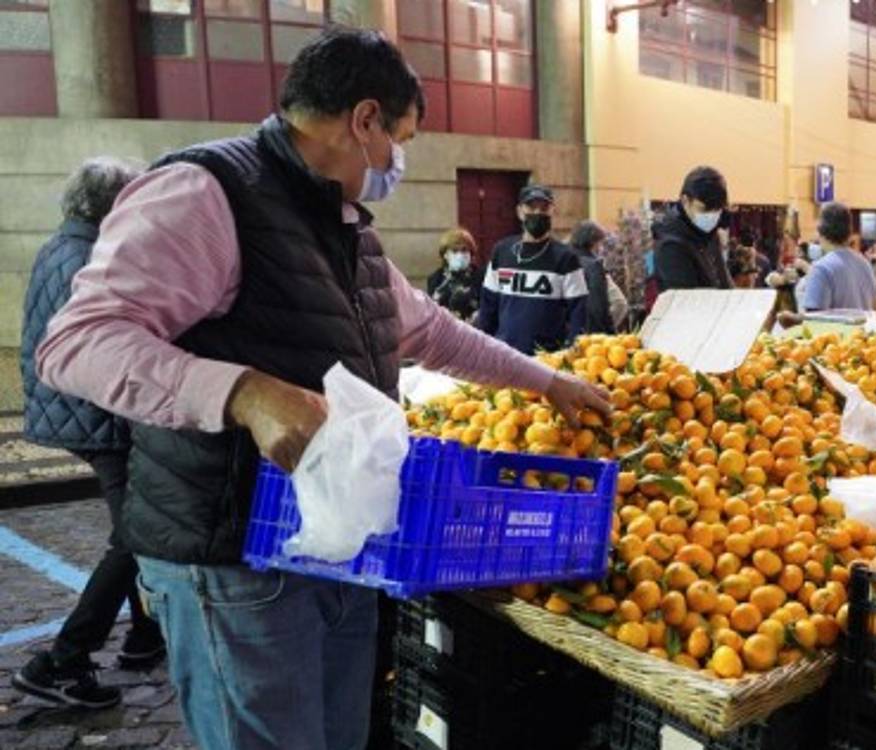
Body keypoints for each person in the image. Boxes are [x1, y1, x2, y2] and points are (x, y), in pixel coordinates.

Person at [33, 29, 610, 750]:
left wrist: (544, 379)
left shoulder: (341, 225)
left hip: (334, 545)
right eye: (399, 140)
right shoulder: (206, 195)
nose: (397, 164)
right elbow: (76, 343)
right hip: (235, 556)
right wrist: (241, 391)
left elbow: (430, 331)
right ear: (363, 121)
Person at [15, 158, 166, 710]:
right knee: (137, 534)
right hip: (96, 415)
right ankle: (61, 661)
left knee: (132, 526)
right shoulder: (89, 259)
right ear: (112, 206)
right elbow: (105, 348)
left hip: (75, 411)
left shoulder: (63, 247)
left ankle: (145, 634)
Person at [478, 184, 589, 354]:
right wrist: (483, 348)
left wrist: (571, 352)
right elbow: (488, 306)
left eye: (544, 208)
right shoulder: (502, 251)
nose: (537, 213)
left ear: (552, 212)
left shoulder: (566, 258)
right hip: (504, 354)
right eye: (531, 207)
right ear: (519, 212)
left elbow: (579, 313)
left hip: (548, 359)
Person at [652, 166, 733, 290]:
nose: (712, 216)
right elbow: (687, 300)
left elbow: (723, 281)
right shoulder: (670, 245)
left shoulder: (709, 234)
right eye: (704, 209)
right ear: (685, 201)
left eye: (717, 209)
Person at [799, 202, 876, 312]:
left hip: (834, 330)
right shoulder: (865, 265)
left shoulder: (822, 269)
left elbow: (813, 321)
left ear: (820, 231)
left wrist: (788, 320)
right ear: (849, 232)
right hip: (863, 329)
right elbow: (875, 309)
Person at [568, 220, 617, 334]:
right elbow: (598, 306)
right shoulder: (593, 266)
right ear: (593, 242)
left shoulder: (564, 259)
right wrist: (610, 332)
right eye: (600, 243)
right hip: (589, 332)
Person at [426, 227, 481, 321]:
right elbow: (431, 310)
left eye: (464, 250)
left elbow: (488, 307)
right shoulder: (436, 279)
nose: (460, 255)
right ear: (445, 255)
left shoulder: (481, 276)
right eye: (455, 251)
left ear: (471, 253)